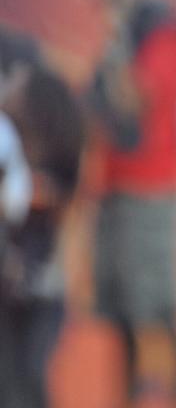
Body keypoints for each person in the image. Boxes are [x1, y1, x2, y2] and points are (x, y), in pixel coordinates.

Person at [87, 0, 176, 403]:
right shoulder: (134, 32)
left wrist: (115, 42)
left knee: (159, 311)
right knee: (122, 314)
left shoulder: (160, 31)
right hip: (116, 186)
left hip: (151, 188)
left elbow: (135, 103)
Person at [0, 27, 86, 408]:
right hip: (14, 277)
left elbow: (70, 202)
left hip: (43, 281)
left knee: (29, 379)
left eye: (12, 77)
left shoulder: (60, 127)